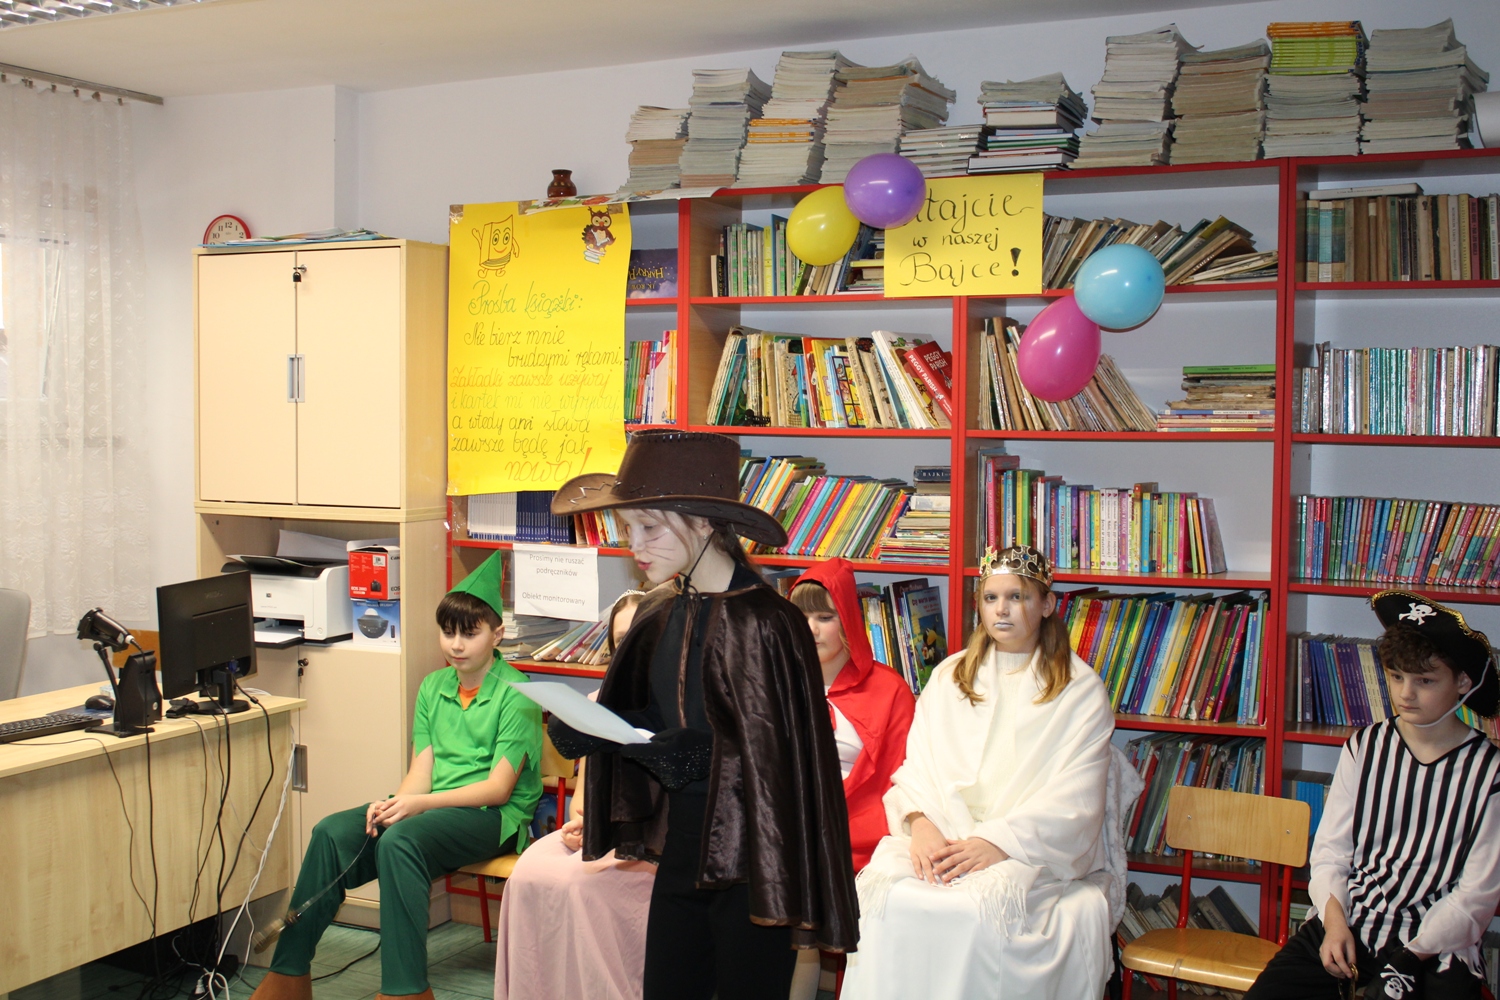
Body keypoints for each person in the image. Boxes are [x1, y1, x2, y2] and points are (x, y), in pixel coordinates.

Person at [546, 429, 859, 1000]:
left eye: (649, 528)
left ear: (703, 523)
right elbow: (642, 715)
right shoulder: (660, 612)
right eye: (628, 530)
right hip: (682, 849)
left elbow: (784, 760)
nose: (635, 546)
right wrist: (591, 730)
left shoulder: (770, 623)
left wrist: (706, 754)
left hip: (754, 865)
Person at [251, 552, 543, 1000]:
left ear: (497, 634)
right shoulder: (432, 687)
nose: (456, 645)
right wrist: (396, 804)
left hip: (492, 819)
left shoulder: (518, 692)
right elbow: (420, 773)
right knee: (332, 832)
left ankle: (406, 990)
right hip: (432, 811)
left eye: (470, 633)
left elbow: (498, 789)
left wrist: (415, 807)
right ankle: (288, 976)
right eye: (448, 633)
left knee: (400, 841)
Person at [841, 545, 1115, 1000]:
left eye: (1017, 597)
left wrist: (998, 842)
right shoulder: (950, 675)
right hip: (943, 834)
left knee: (975, 913)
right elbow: (918, 766)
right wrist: (921, 824)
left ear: (1047, 604)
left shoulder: (1079, 689)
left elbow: (1077, 797)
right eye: (991, 598)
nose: (1001, 610)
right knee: (887, 900)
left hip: (1027, 852)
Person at [1245, 590, 1500, 1000]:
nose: (1406, 694)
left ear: (1463, 682)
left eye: (1425, 681)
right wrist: (1333, 923)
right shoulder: (1365, 746)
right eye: (1397, 677)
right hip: (1350, 920)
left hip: (1435, 943)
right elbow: (1332, 851)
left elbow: (1476, 896)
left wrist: (1410, 957)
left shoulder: (1489, 772)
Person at [493, 590, 654, 1000]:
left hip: (648, 844)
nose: (629, 649)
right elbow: (583, 797)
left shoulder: (676, 706)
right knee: (528, 874)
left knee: (578, 886)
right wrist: (580, 825)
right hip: (595, 833)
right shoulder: (595, 704)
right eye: (621, 640)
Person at [789, 558, 916, 871]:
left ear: (847, 619)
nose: (811, 629)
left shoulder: (889, 690)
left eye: (825, 617)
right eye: (800, 616)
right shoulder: (775, 682)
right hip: (788, 826)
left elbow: (901, 777)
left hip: (862, 837)